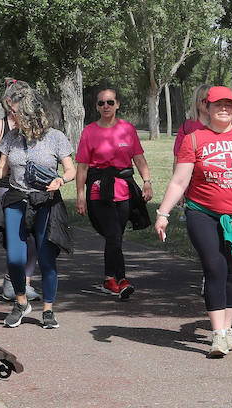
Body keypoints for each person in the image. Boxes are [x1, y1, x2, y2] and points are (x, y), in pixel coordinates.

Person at [153, 86, 232, 358]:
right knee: (214, 268)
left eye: (229, 104)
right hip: (202, 213)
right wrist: (163, 213)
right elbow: (179, 181)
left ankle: (228, 329)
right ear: (207, 106)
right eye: (218, 104)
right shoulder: (193, 140)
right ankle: (217, 334)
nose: (224, 109)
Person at [0, 83, 75, 330]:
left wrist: (61, 179)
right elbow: (2, 169)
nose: (11, 117)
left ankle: (48, 309)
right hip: (16, 201)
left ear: (30, 113)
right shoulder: (11, 139)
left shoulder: (55, 137)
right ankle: (20, 302)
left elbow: (70, 169)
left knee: (47, 259)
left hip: (45, 202)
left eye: (15, 112)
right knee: (15, 258)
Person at [76, 88, 153, 299]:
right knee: (113, 235)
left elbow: (138, 159)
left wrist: (146, 182)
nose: (106, 106)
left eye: (110, 102)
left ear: (117, 104)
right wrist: (80, 197)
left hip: (124, 190)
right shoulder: (89, 131)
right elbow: (82, 167)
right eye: (101, 103)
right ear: (96, 107)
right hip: (98, 191)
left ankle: (108, 279)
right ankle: (122, 279)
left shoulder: (128, 129)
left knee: (115, 238)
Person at [0, 81, 39, 303]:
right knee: (17, 239)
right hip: (8, 187)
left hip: (33, 189)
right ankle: (12, 282)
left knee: (34, 239)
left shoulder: (35, 126)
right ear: (8, 103)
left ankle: (24, 282)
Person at [173, 84, 211, 157]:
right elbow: (178, 156)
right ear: (196, 103)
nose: (210, 104)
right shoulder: (187, 126)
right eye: (205, 101)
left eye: (213, 101)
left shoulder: (222, 125)